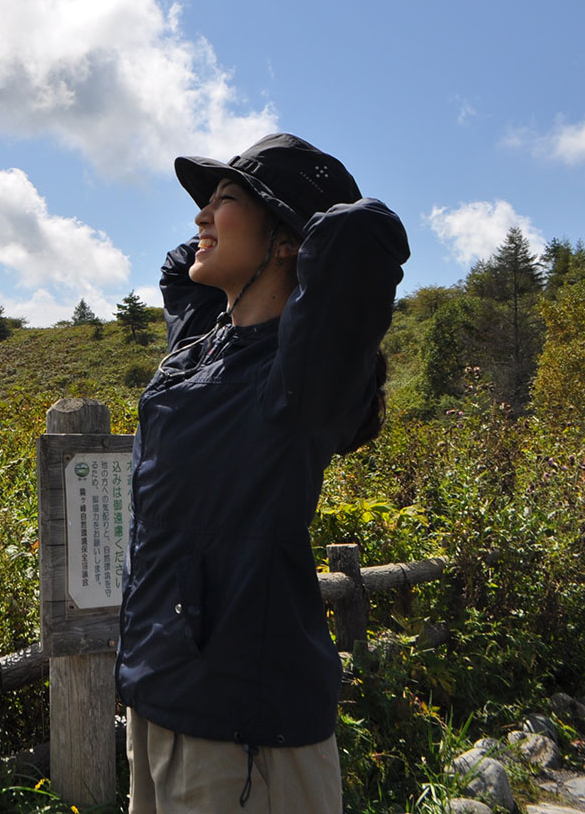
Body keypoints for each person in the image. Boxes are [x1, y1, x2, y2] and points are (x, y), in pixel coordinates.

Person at [116, 132, 409, 813]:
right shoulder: (204, 349)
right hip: (157, 697)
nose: (200, 218)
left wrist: (300, 221)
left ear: (288, 240)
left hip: (243, 729)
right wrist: (238, 220)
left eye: (226, 201)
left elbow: (363, 237)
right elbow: (176, 270)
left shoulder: (299, 378)